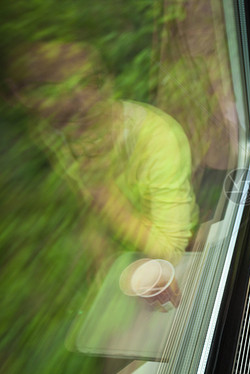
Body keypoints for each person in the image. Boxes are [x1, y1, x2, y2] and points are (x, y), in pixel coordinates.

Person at [9, 42, 199, 263]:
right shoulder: (50, 131)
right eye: (56, 93)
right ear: (26, 102)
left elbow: (173, 252)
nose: (85, 103)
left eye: (92, 82)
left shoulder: (156, 137)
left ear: (110, 80)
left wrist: (100, 192)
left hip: (167, 254)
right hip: (120, 249)